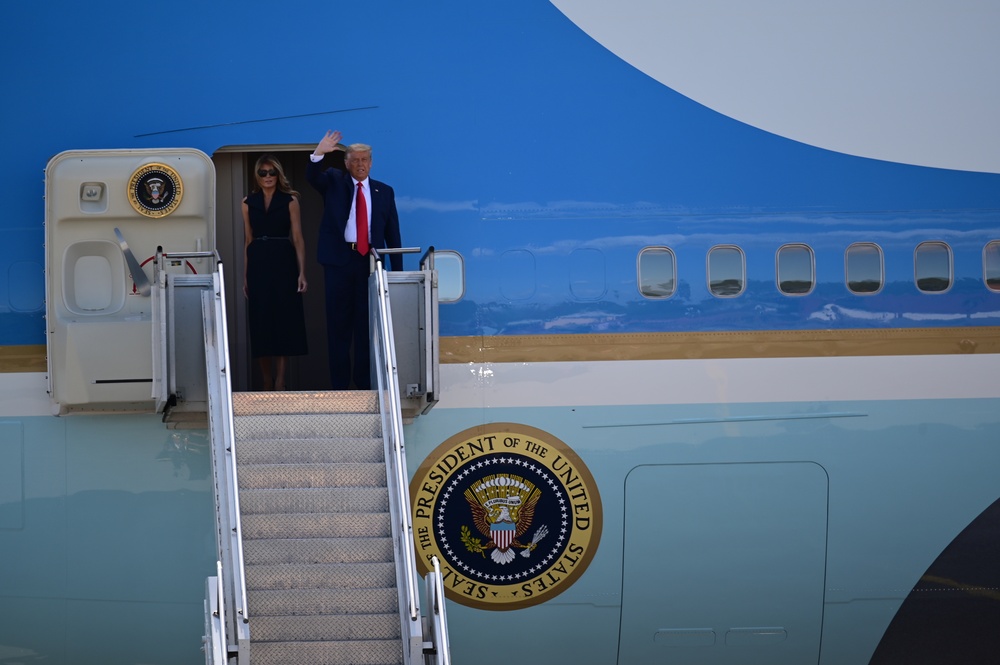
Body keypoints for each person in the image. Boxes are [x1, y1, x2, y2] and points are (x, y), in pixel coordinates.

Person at [307, 130, 402, 390]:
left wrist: (395, 274)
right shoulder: (335, 180)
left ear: (371, 163)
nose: (360, 165)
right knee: (338, 326)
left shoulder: (384, 191)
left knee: (366, 325)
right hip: (339, 261)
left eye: (365, 160)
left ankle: (363, 385)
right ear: (346, 164)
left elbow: (393, 233)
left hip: (369, 264)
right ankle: (339, 386)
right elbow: (313, 178)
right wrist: (319, 152)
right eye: (355, 160)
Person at [242, 155, 308, 390]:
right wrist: (245, 275)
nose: (268, 177)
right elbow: (248, 239)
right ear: (257, 176)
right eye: (263, 173)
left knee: (284, 318)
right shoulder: (248, 202)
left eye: (272, 172)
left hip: (283, 259)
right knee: (261, 320)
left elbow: (298, 238)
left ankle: (280, 380)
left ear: (278, 174)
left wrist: (302, 272)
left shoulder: (290, 200)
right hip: (258, 261)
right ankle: (266, 379)